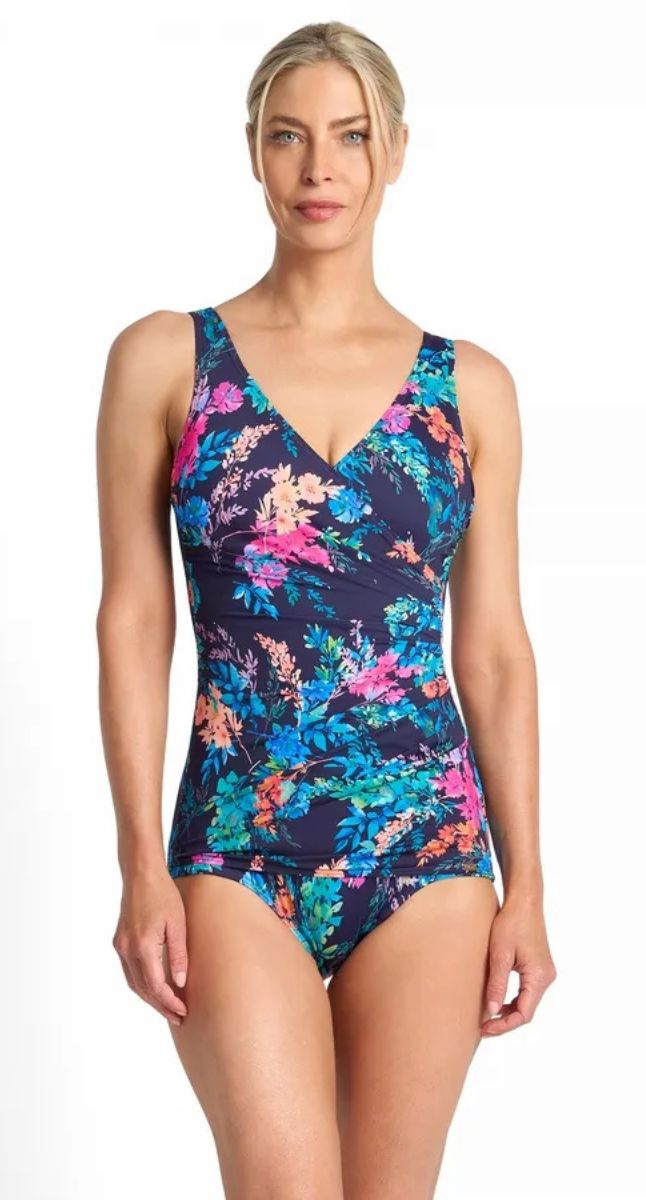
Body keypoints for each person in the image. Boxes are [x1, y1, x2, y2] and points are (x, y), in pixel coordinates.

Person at [96, 20, 557, 1200]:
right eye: (287, 136)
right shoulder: (166, 360)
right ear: (252, 151)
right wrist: (139, 865)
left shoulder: (471, 388)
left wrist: (529, 887)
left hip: (428, 851)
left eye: (349, 137)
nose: (318, 168)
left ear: (394, 150)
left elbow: (495, 653)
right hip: (233, 845)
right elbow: (134, 621)